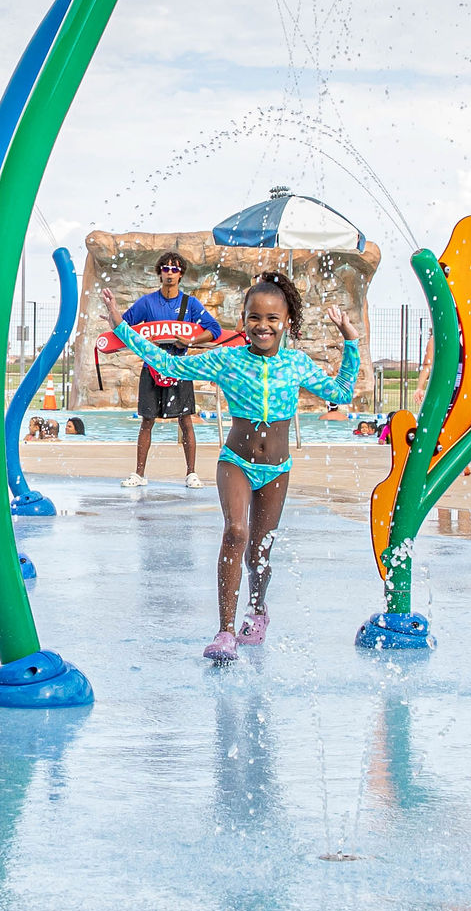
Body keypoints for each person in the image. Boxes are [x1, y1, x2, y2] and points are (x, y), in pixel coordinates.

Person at [110, 270, 363, 660]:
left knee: (261, 549)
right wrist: (120, 326)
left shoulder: (296, 365)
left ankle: (257, 610)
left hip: (277, 469)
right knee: (236, 532)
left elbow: (341, 392)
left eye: (272, 319)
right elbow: (170, 365)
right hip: (237, 461)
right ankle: (225, 631)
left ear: (286, 323)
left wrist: (350, 339)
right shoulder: (227, 360)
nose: (263, 326)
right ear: (243, 321)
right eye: (254, 318)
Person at [118, 252, 221, 490]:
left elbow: (213, 329)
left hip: (180, 367)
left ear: (181, 274)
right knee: (147, 421)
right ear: (159, 273)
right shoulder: (147, 303)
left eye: (175, 269)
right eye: (166, 268)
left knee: (186, 420)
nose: (170, 273)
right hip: (151, 367)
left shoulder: (190, 304)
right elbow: (124, 327)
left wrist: (190, 340)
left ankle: (191, 473)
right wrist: (144, 339)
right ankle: (139, 473)